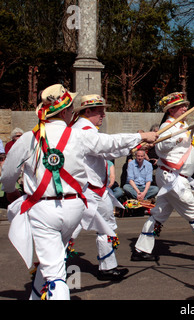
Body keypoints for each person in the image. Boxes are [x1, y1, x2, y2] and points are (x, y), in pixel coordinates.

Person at [0, 84, 158, 300]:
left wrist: (10, 192)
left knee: (55, 273)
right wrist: (141, 136)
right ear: (65, 112)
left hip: (44, 210)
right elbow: (109, 143)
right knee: (52, 261)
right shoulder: (79, 136)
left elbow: (8, 173)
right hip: (74, 208)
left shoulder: (30, 138)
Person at [131, 92, 194, 262]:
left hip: (176, 177)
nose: (186, 108)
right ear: (171, 110)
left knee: (159, 214)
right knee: (193, 210)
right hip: (172, 177)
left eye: (186, 105)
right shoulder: (168, 127)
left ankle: (141, 250)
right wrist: (178, 138)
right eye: (182, 106)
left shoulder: (183, 127)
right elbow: (161, 147)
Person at [71, 94, 131, 281]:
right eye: (100, 111)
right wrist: (137, 140)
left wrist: (134, 147)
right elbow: (107, 146)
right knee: (71, 229)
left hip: (95, 189)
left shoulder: (86, 129)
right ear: (87, 111)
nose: (103, 114)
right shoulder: (84, 131)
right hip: (89, 190)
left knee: (103, 226)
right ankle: (47, 270)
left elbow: (107, 150)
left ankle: (108, 267)